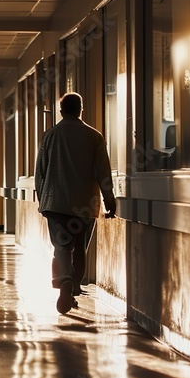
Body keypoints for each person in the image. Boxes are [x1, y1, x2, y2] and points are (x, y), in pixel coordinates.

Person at [34, 92, 116, 314]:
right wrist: (109, 199)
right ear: (81, 109)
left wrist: (43, 200)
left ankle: (65, 280)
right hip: (84, 204)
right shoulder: (94, 136)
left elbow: (40, 172)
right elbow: (103, 172)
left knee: (62, 246)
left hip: (56, 202)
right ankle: (73, 287)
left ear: (61, 111)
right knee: (79, 247)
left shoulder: (49, 136)